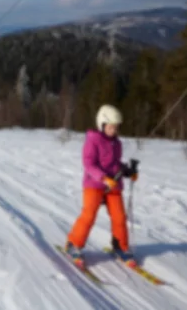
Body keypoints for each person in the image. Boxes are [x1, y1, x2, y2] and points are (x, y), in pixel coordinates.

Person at [64, 104, 138, 267]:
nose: (114, 131)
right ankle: (73, 244)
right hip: (94, 183)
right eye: (111, 127)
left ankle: (121, 247)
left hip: (113, 186)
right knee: (89, 214)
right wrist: (103, 178)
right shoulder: (93, 140)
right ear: (102, 124)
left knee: (119, 217)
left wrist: (127, 171)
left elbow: (115, 163)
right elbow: (88, 164)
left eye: (116, 127)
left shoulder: (117, 143)